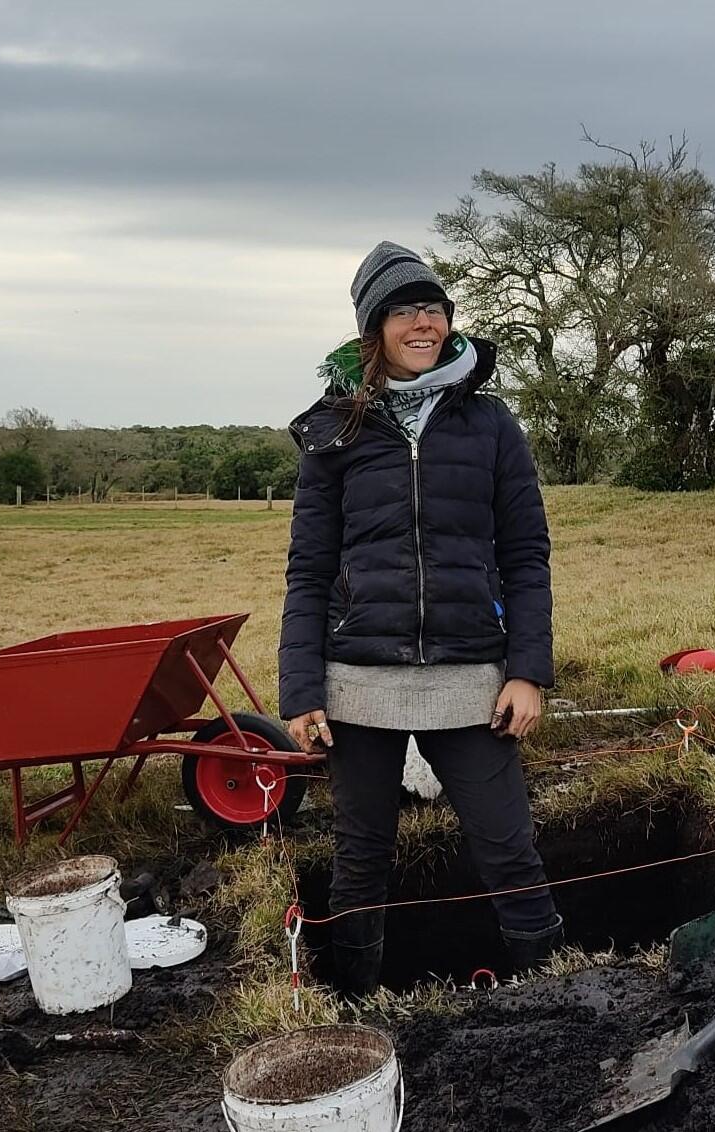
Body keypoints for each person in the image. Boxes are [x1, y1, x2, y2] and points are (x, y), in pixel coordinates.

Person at [278, 241, 562, 996]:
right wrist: (301, 691)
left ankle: (556, 993)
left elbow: (527, 555)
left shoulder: (492, 425)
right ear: (374, 330)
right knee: (361, 853)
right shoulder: (333, 433)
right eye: (404, 310)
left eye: (433, 308)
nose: (423, 323)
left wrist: (528, 672)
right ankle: (360, 1005)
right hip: (357, 684)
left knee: (508, 846)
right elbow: (307, 571)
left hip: (472, 677)